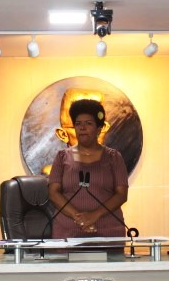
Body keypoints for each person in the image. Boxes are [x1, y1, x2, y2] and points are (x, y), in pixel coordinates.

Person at [47, 99, 129, 239]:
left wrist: (94, 216)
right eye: (78, 124)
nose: (82, 128)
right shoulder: (62, 157)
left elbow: (121, 194)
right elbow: (53, 193)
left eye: (88, 123)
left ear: (99, 129)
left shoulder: (114, 157)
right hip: (68, 230)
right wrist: (79, 218)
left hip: (108, 229)